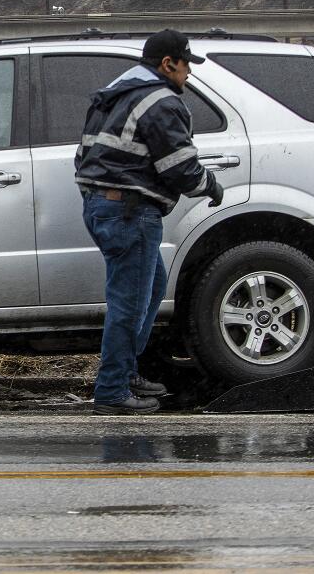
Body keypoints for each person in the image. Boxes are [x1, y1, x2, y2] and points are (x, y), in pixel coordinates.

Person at [75, 29, 224, 415]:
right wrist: (211, 185)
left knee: (151, 287)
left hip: (103, 206)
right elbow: (181, 169)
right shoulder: (161, 101)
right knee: (130, 304)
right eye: (186, 63)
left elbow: (84, 156)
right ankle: (111, 391)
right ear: (167, 63)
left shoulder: (116, 94)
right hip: (130, 211)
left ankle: (126, 373)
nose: (189, 73)